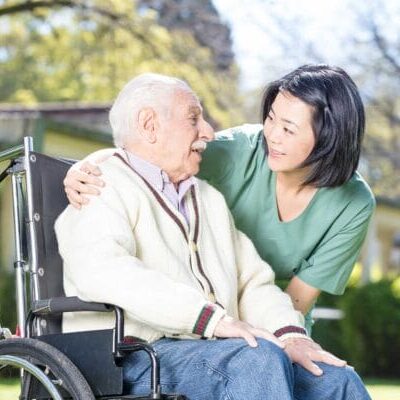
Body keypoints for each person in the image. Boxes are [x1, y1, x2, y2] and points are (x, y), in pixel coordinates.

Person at [55, 73, 371, 399]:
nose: (207, 132)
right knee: (256, 360)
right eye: (194, 119)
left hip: (209, 353)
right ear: (149, 125)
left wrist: (292, 336)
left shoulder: (206, 198)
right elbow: (104, 271)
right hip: (131, 356)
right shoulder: (100, 186)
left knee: (336, 380)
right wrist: (211, 320)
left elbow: (252, 282)